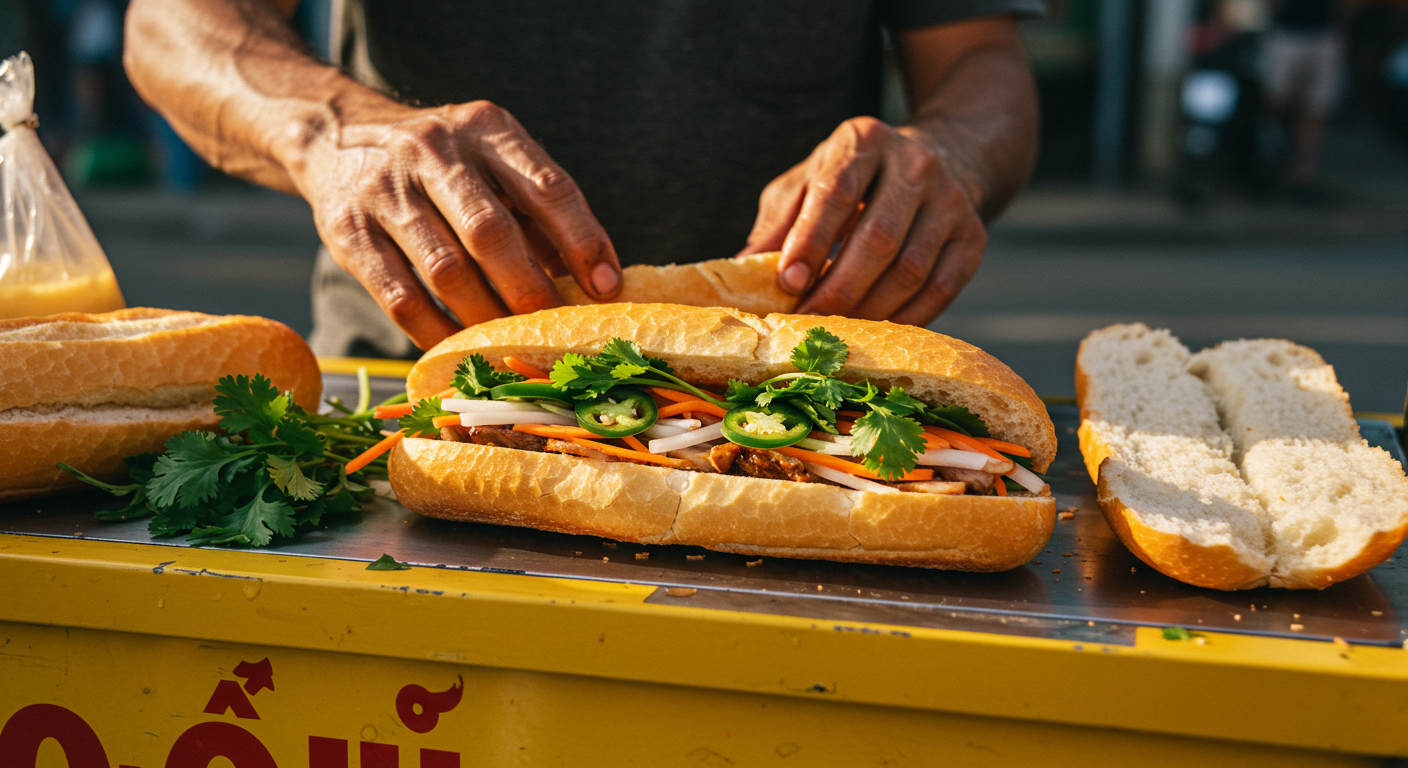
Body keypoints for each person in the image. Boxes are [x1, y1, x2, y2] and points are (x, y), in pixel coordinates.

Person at [123, 1, 1042, 356]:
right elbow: (172, 25)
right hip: (413, 377)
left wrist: (949, 154)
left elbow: (981, 63)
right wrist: (334, 132)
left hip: (798, 381)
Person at [1263, 0, 1345, 201]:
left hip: (1324, 33)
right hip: (1287, 32)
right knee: (1274, 103)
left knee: (1316, 110)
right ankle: (1268, 166)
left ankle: (1302, 178)